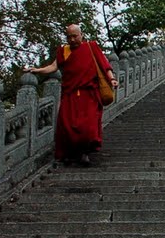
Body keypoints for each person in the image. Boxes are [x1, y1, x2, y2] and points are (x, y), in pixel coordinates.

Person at [25, 24, 118, 166]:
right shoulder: (64, 51)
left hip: (89, 94)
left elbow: (104, 64)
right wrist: (37, 70)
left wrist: (112, 79)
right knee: (67, 125)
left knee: (88, 126)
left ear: (81, 35)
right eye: (69, 36)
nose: (72, 39)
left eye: (75, 36)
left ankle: (85, 153)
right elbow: (53, 67)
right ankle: (70, 153)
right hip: (70, 94)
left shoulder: (91, 47)